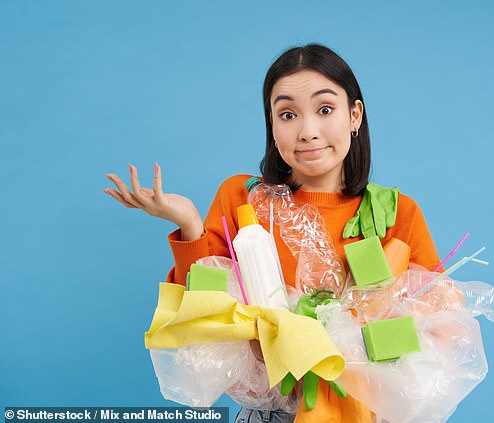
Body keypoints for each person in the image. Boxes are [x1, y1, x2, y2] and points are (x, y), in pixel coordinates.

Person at [105, 44, 442, 423]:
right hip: (271, 414)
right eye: (287, 114)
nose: (308, 131)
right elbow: (205, 309)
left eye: (325, 109)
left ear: (355, 115)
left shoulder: (398, 214)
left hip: (366, 411)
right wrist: (189, 224)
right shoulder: (243, 200)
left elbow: (436, 325)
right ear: (272, 123)